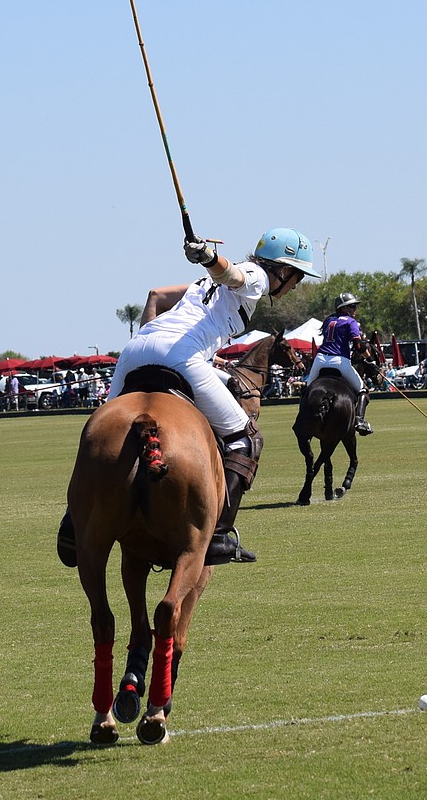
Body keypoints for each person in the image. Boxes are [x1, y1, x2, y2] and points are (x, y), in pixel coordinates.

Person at [57, 226, 321, 568]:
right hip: (181, 356)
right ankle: (218, 535)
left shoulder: (203, 285)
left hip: (135, 349)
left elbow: (156, 295)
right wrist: (210, 257)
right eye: (297, 277)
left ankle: (71, 522)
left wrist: (161, 338)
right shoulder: (258, 274)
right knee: (246, 439)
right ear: (283, 271)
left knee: (99, 435)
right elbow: (237, 275)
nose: (296, 285)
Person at [302, 291, 374, 435]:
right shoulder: (350, 322)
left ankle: (302, 419)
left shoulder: (328, 320)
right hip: (339, 360)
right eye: (352, 306)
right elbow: (358, 345)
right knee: (362, 390)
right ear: (343, 308)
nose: (355, 310)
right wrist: (370, 359)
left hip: (320, 360)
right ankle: (359, 420)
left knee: (307, 391)